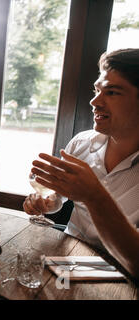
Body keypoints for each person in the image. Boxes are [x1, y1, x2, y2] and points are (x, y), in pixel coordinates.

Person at [23, 48, 139, 279]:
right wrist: (48, 203)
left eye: (112, 92)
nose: (95, 101)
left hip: (121, 278)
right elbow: (58, 199)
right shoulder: (81, 143)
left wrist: (94, 196)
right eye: (96, 90)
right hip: (67, 262)